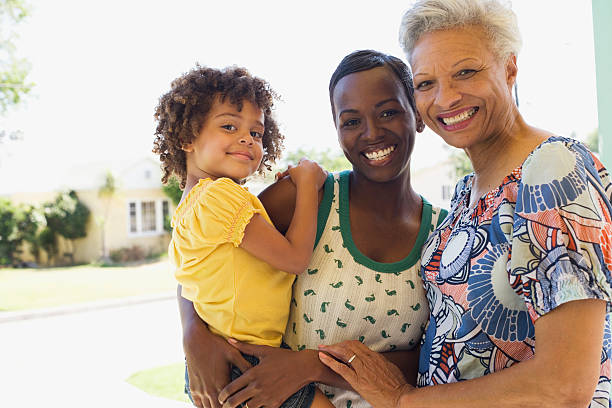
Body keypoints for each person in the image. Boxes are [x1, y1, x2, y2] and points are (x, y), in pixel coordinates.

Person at [318, 1, 612, 407]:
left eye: (466, 72)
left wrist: (402, 400)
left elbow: (564, 386)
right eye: (425, 84)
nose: (446, 98)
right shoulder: (464, 195)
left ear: (509, 68)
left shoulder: (551, 169)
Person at [178, 50, 448, 408]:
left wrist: (310, 367)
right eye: (351, 121)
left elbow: (436, 360)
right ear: (336, 129)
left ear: (417, 115)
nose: (371, 132)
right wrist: (194, 337)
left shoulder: (446, 234)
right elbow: (205, 262)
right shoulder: (305, 198)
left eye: (388, 112)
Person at [152, 64, 333, 408]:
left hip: (220, 356)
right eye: (229, 126)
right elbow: (295, 259)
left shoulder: (188, 209)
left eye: (257, 132)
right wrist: (308, 183)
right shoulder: (220, 196)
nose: (247, 139)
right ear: (187, 137)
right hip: (244, 361)